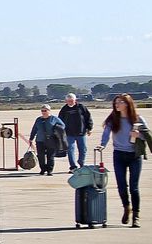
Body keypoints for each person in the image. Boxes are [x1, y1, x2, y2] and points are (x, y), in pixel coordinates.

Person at [99, 93, 145, 227]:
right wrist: (102, 145)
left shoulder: (137, 119)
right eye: (116, 102)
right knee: (121, 185)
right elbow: (106, 133)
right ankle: (126, 207)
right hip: (119, 154)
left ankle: (136, 215)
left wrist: (139, 135)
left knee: (134, 187)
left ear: (127, 104)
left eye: (120, 102)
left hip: (135, 156)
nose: (117, 105)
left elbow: (147, 135)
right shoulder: (113, 119)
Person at [26, 106, 66, 177]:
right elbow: (34, 129)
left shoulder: (54, 119)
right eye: (42, 111)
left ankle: (49, 170)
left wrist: (56, 130)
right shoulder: (38, 120)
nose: (44, 112)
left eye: (45, 110)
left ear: (49, 111)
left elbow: (62, 125)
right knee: (41, 156)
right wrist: (31, 138)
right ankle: (43, 169)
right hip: (40, 140)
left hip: (51, 140)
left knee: (50, 156)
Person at [59, 93, 93, 171]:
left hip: (81, 132)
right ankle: (73, 166)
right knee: (70, 150)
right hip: (69, 133)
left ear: (75, 100)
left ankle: (81, 163)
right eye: (68, 101)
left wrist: (89, 128)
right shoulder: (64, 109)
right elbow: (60, 121)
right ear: (66, 101)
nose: (70, 102)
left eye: (71, 101)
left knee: (83, 149)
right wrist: (60, 132)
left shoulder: (81, 107)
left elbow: (88, 118)